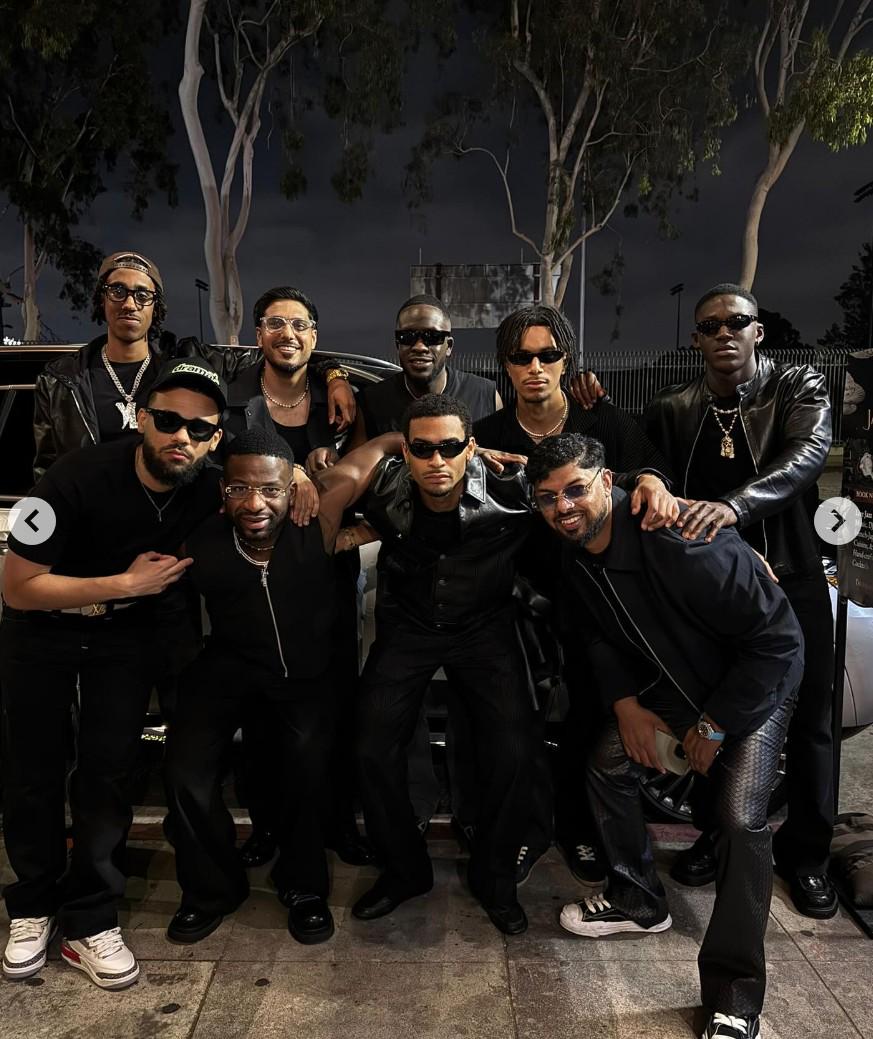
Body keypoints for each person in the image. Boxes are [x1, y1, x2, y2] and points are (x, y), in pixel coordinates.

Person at [349, 394, 676, 935]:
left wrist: (649, 481)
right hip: (409, 629)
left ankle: (495, 878)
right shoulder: (384, 487)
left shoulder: (512, 487)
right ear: (405, 452)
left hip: (485, 629)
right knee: (369, 745)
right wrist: (308, 476)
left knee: (516, 751)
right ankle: (404, 871)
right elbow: (322, 480)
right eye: (423, 449)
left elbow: (587, 480)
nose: (437, 460)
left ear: (470, 448)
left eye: (450, 447)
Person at [527, 433, 802, 1039]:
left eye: (575, 490)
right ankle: (638, 900)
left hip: (753, 687)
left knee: (739, 821)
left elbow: (778, 642)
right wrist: (625, 704)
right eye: (548, 498)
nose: (563, 507)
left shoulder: (682, 539)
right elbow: (595, 634)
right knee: (607, 762)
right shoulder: (577, 552)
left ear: (607, 482)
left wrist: (715, 723)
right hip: (673, 688)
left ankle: (735, 998)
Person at [0, 358, 227, 989]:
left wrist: (300, 473)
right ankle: (32, 905)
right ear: (141, 419)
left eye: (199, 429)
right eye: (169, 421)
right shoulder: (73, 477)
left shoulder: (205, 483)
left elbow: (267, 474)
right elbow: (17, 587)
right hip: (41, 631)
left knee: (109, 773)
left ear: (214, 439)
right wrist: (124, 584)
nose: (181, 437)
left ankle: (90, 917)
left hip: (124, 639)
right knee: (32, 772)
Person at [163, 426, 401, 946]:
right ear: (221, 490)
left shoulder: (319, 516)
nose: (255, 504)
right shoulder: (199, 534)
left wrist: (458, 447)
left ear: (292, 491)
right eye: (239, 490)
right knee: (185, 769)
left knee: (307, 768)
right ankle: (210, 890)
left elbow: (384, 445)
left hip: (304, 671)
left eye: (270, 490)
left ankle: (303, 888)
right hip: (229, 663)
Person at [643, 283, 837, 920]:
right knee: (716, 710)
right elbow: (648, 468)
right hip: (715, 587)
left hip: (791, 577)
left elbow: (805, 457)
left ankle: (807, 857)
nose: (724, 332)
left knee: (810, 720)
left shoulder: (798, 386)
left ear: (758, 330)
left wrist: (732, 508)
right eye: (710, 325)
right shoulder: (674, 406)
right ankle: (714, 834)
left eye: (736, 321)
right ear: (695, 338)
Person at [474, 304, 671, 886]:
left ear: (567, 361)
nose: (535, 367)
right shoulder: (489, 435)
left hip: (597, 599)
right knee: (519, 725)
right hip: (515, 600)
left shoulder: (601, 420)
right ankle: (530, 829)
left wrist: (650, 480)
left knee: (590, 717)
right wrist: (471, 459)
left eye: (548, 355)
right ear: (505, 365)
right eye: (521, 357)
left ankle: (581, 829)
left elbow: (649, 473)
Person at [222, 285, 375, 870]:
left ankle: (338, 821)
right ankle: (267, 824)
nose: (287, 334)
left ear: (315, 335)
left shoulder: (339, 402)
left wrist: (336, 374)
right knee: (260, 709)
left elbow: (366, 472)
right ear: (257, 333)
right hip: (253, 576)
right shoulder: (233, 397)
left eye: (300, 325)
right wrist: (291, 473)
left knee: (334, 703)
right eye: (274, 323)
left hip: (325, 575)